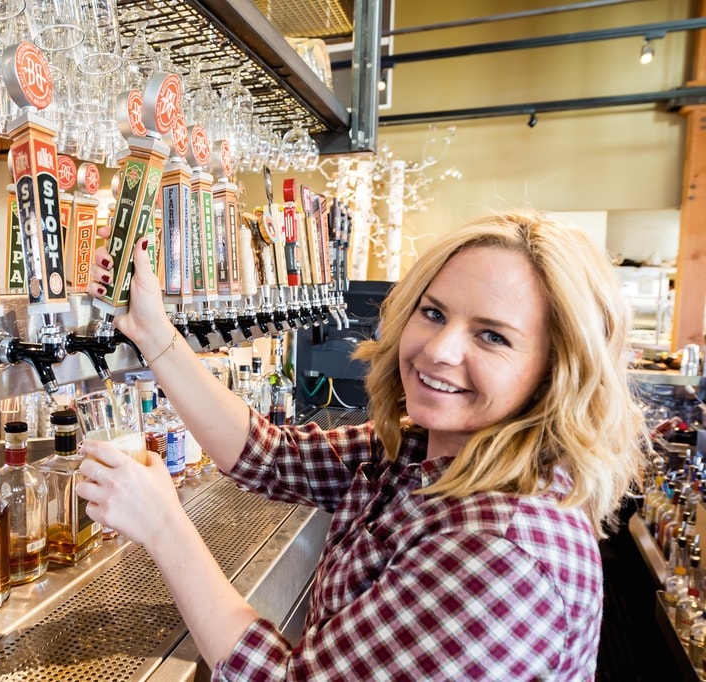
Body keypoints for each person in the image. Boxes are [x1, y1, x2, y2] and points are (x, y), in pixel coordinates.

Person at [77, 210, 646, 680]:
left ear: (557, 371)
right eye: (434, 312)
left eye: (492, 335)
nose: (439, 350)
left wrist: (162, 526)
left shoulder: (502, 553)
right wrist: (152, 331)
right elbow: (270, 455)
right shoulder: (424, 452)